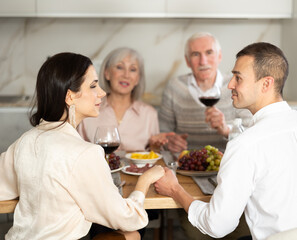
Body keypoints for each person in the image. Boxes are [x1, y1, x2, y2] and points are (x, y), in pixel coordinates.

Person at [0, 52, 165, 240]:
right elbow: (127, 218)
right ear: (70, 96)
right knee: (132, 233)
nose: (101, 92)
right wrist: (144, 181)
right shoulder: (87, 153)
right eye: (93, 86)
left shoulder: (24, 141)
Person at [155, 42, 297, 240]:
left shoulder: (245, 145)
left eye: (238, 78)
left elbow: (217, 225)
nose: (230, 84)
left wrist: (175, 190)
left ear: (266, 84)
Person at [159, 32, 252, 152]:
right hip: (186, 166)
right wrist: (169, 142)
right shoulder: (175, 87)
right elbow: (163, 133)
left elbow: (251, 134)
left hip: (225, 165)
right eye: (196, 54)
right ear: (187, 61)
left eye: (209, 52)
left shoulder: (236, 85)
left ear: (219, 56)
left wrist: (226, 130)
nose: (203, 61)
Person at [78, 47, 173, 151]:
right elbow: (78, 152)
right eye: (119, 67)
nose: (126, 75)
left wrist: (155, 147)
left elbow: (154, 156)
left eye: (133, 70)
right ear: (107, 73)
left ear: (137, 78)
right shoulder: (88, 110)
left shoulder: (149, 114)